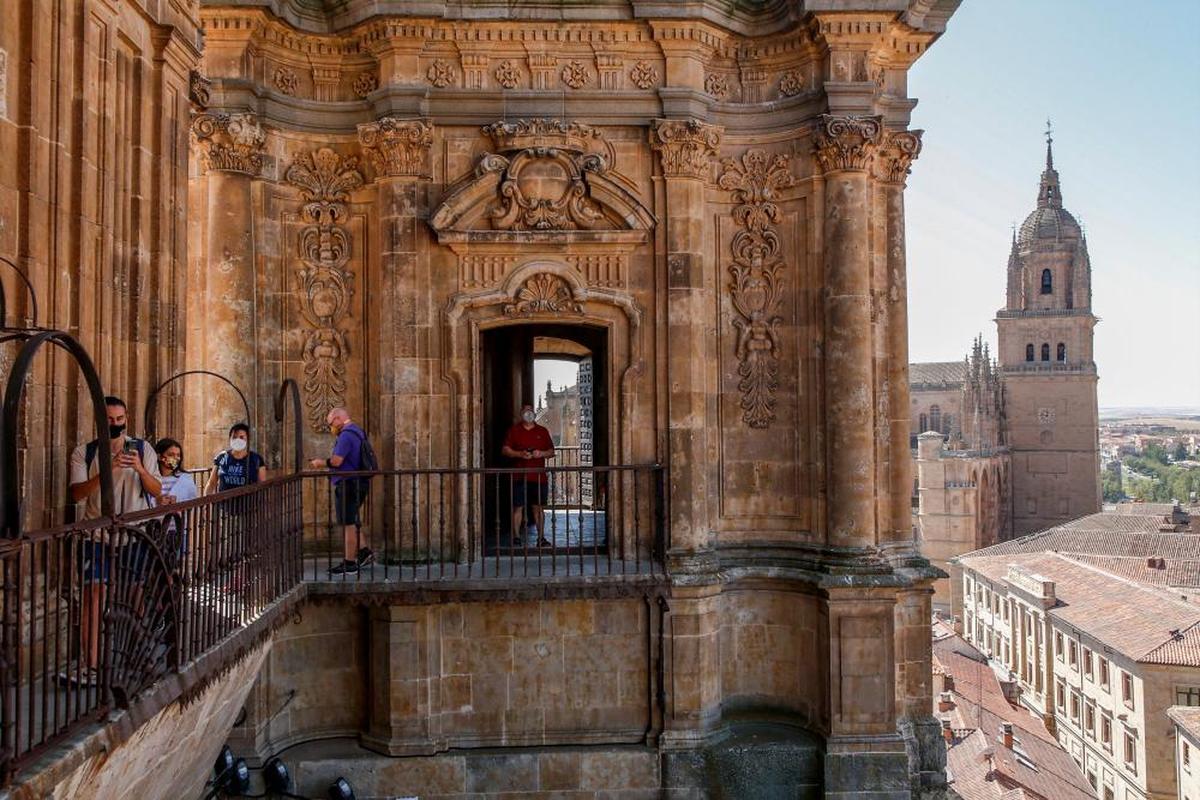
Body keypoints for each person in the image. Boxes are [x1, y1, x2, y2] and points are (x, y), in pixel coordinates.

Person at [66, 396, 162, 686]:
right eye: (110, 419)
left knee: (134, 595)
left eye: (120, 419)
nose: (116, 425)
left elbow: (156, 489)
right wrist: (106, 470)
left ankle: (137, 655)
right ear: (100, 420)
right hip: (97, 534)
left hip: (133, 533)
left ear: (127, 419)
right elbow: (76, 494)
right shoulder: (85, 452)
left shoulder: (143, 448)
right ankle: (91, 665)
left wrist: (141, 470)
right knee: (93, 595)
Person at [310, 407, 376, 575]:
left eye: (331, 423)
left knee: (348, 524)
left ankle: (349, 563)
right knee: (353, 520)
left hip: (348, 484)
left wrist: (320, 463)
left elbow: (337, 461)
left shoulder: (346, 435)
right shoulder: (358, 432)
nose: (331, 427)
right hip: (359, 483)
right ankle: (364, 552)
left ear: (338, 419)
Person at [500, 403, 555, 547]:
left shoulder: (542, 431)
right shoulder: (514, 431)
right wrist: (520, 454)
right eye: (526, 411)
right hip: (519, 476)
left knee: (538, 508)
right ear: (521, 413)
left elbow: (551, 452)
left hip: (538, 477)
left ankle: (541, 538)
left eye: (530, 410)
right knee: (517, 507)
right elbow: (505, 449)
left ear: (534, 413)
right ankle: (516, 538)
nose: (528, 413)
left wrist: (540, 453)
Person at [205, 422, 266, 494]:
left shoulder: (256, 459)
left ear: (248, 439)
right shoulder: (222, 458)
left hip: (247, 503)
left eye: (241, 437)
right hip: (224, 503)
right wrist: (206, 502)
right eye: (234, 437)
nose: (238, 440)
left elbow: (262, 486)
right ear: (230, 438)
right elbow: (212, 483)